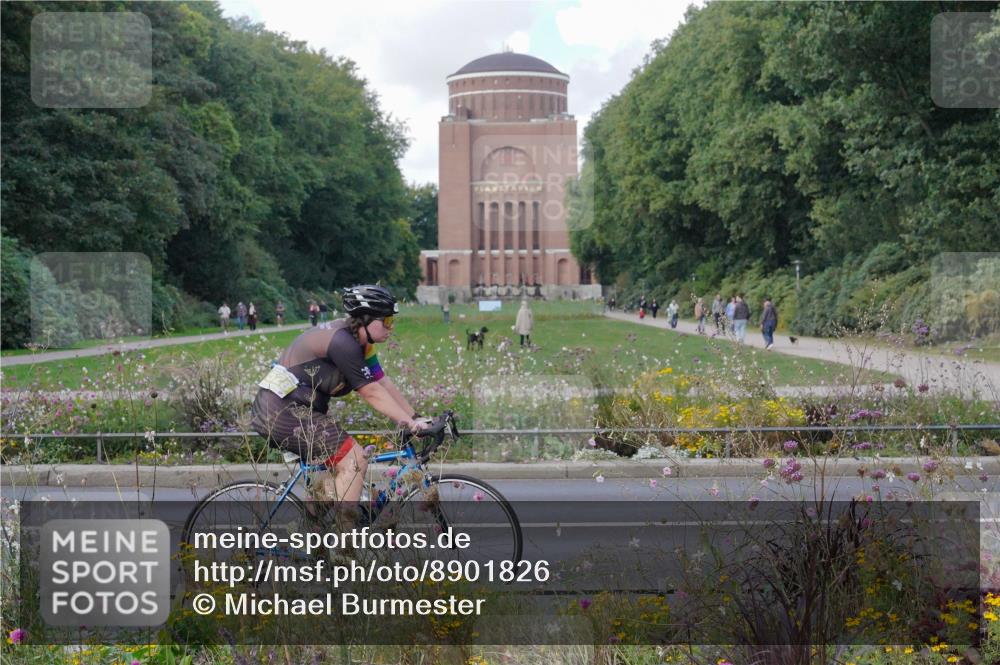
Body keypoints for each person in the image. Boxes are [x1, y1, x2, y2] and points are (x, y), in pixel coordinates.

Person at [251, 285, 428, 503]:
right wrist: (410, 425)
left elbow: (383, 383)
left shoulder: (362, 344)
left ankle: (319, 533)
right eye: (387, 321)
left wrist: (415, 416)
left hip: (295, 411)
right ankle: (346, 535)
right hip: (282, 412)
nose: (391, 328)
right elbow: (371, 392)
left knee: (329, 489)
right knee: (355, 460)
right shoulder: (343, 343)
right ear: (365, 319)